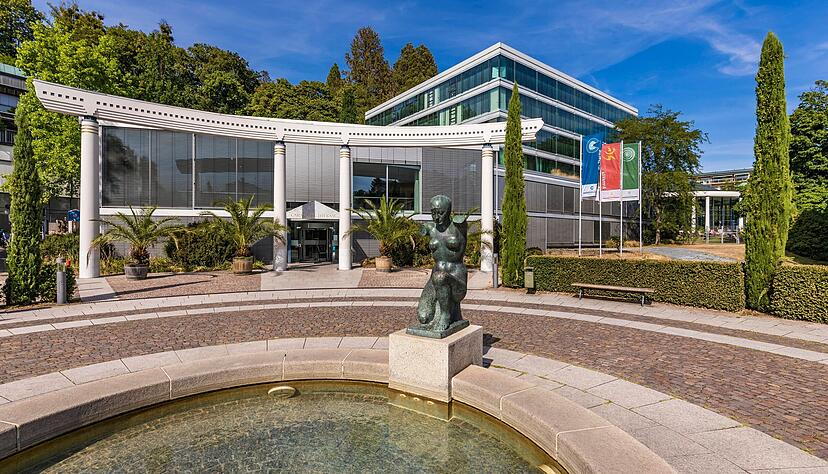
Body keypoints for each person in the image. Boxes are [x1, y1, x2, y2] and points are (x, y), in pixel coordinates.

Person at [412, 195, 469, 336]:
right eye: (433, 212)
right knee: (423, 317)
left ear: (449, 211)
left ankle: (445, 315)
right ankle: (443, 313)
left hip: (457, 278)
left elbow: (462, 220)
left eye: (440, 212)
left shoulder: (459, 226)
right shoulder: (431, 229)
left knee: (440, 277)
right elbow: (421, 230)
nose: (436, 217)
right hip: (435, 277)